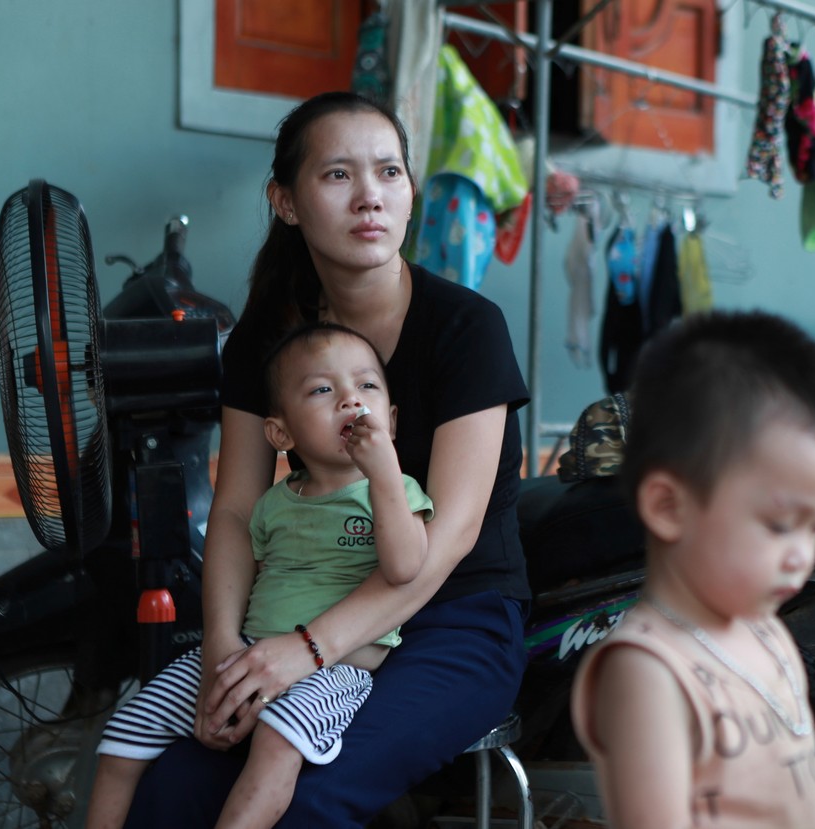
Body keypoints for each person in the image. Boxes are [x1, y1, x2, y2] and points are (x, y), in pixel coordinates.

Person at [122, 91, 531, 827]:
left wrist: (304, 651)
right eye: (338, 175)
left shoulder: (468, 328)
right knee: (171, 786)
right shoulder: (266, 341)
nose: (370, 195)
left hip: (455, 614)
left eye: (389, 172)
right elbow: (239, 507)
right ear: (285, 200)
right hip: (304, 600)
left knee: (308, 792)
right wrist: (226, 648)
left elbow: (451, 536)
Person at [570, 310, 815, 829]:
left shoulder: (769, 636)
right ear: (670, 507)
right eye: (781, 525)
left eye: (814, 526)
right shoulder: (648, 672)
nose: (803, 553)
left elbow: (789, 793)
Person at [88, 322, 434, 828]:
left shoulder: (397, 491)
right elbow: (243, 573)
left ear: (393, 419)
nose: (349, 401)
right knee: (124, 734)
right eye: (322, 389)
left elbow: (406, 568)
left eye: (367, 387)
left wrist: (383, 472)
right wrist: (222, 647)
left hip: (336, 669)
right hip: (250, 650)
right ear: (281, 434)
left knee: (277, 741)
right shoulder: (273, 503)